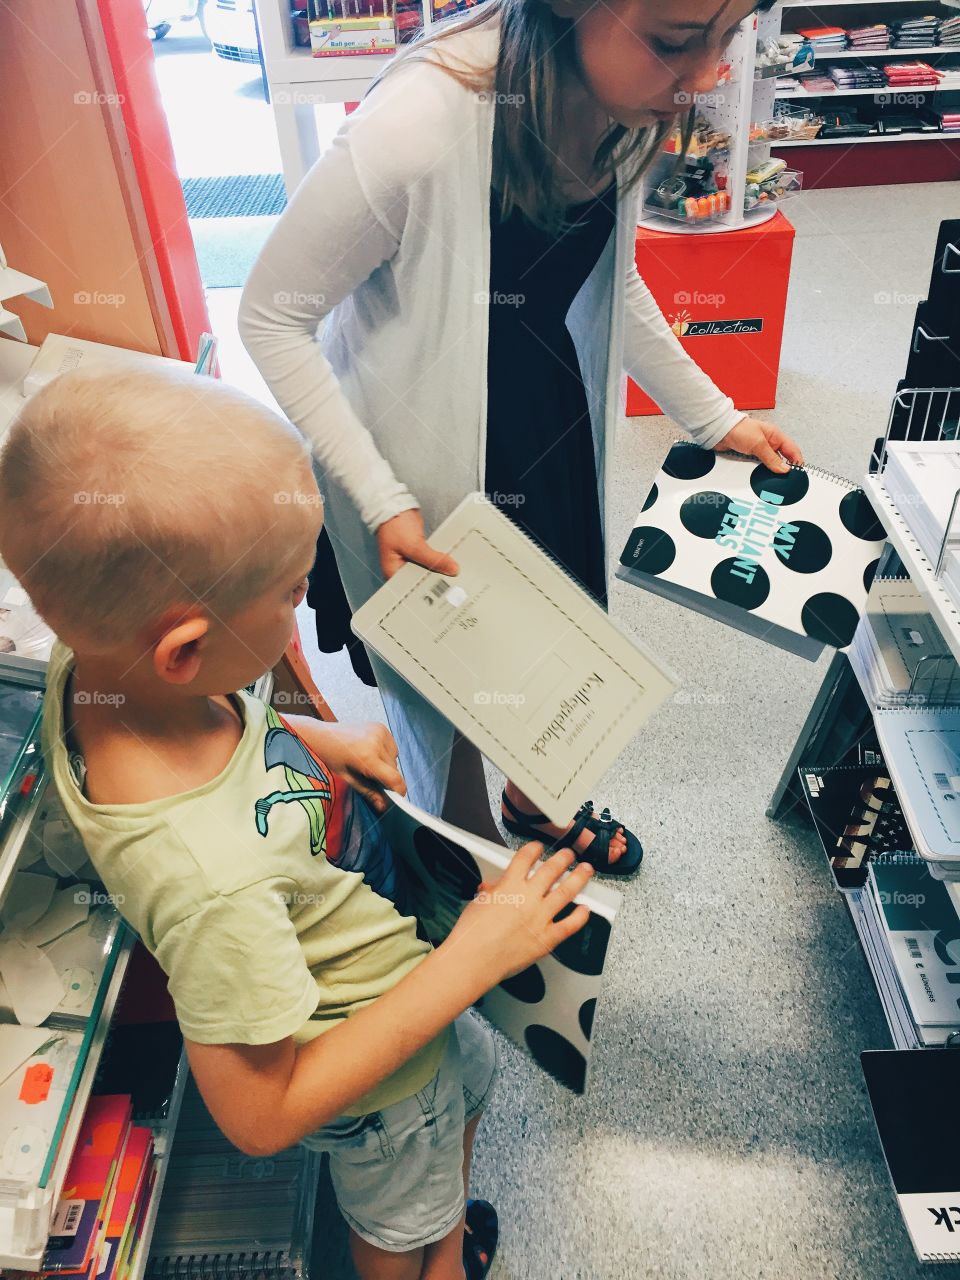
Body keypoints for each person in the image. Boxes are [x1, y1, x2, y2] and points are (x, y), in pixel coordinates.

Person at [0, 365, 594, 1280]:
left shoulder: (100, 668)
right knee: (401, 1223)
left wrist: (310, 734)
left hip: (398, 987)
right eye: (287, 594)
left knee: (452, 1124)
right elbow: (262, 1114)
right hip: (381, 1074)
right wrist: (472, 958)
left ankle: (444, 1228)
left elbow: (220, 723)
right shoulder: (215, 882)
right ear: (186, 647)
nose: (303, 610)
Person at [238, 0, 804, 876]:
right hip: (410, 454)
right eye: (675, 42)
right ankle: (464, 848)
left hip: (543, 419)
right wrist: (380, 496)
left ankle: (536, 802)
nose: (705, 78)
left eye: (726, 38)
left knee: (554, 632)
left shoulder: (615, 111)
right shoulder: (420, 125)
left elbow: (609, 284)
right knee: (446, 676)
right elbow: (272, 316)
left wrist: (712, 414)